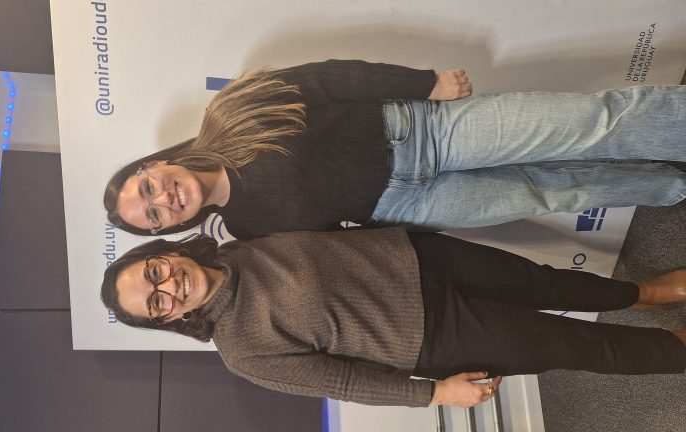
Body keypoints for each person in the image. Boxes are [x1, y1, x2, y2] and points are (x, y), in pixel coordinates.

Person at [100, 228, 686, 407]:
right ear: (167, 320)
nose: (168, 288)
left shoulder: (239, 244)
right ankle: (678, 350)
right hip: (433, 335)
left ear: (165, 253)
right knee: (577, 346)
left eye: (155, 273)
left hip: (422, 257)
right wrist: (435, 394)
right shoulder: (242, 350)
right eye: (156, 303)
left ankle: (648, 293)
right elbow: (343, 381)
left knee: (545, 282)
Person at [103, 59, 686, 239]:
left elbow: (330, 78)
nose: (163, 199)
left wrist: (423, 84)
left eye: (147, 188)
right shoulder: (244, 229)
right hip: (411, 206)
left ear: (154, 164)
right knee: (555, 191)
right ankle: (672, 186)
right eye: (152, 216)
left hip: (423, 133)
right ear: (164, 228)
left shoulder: (231, 111)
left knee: (589, 122)